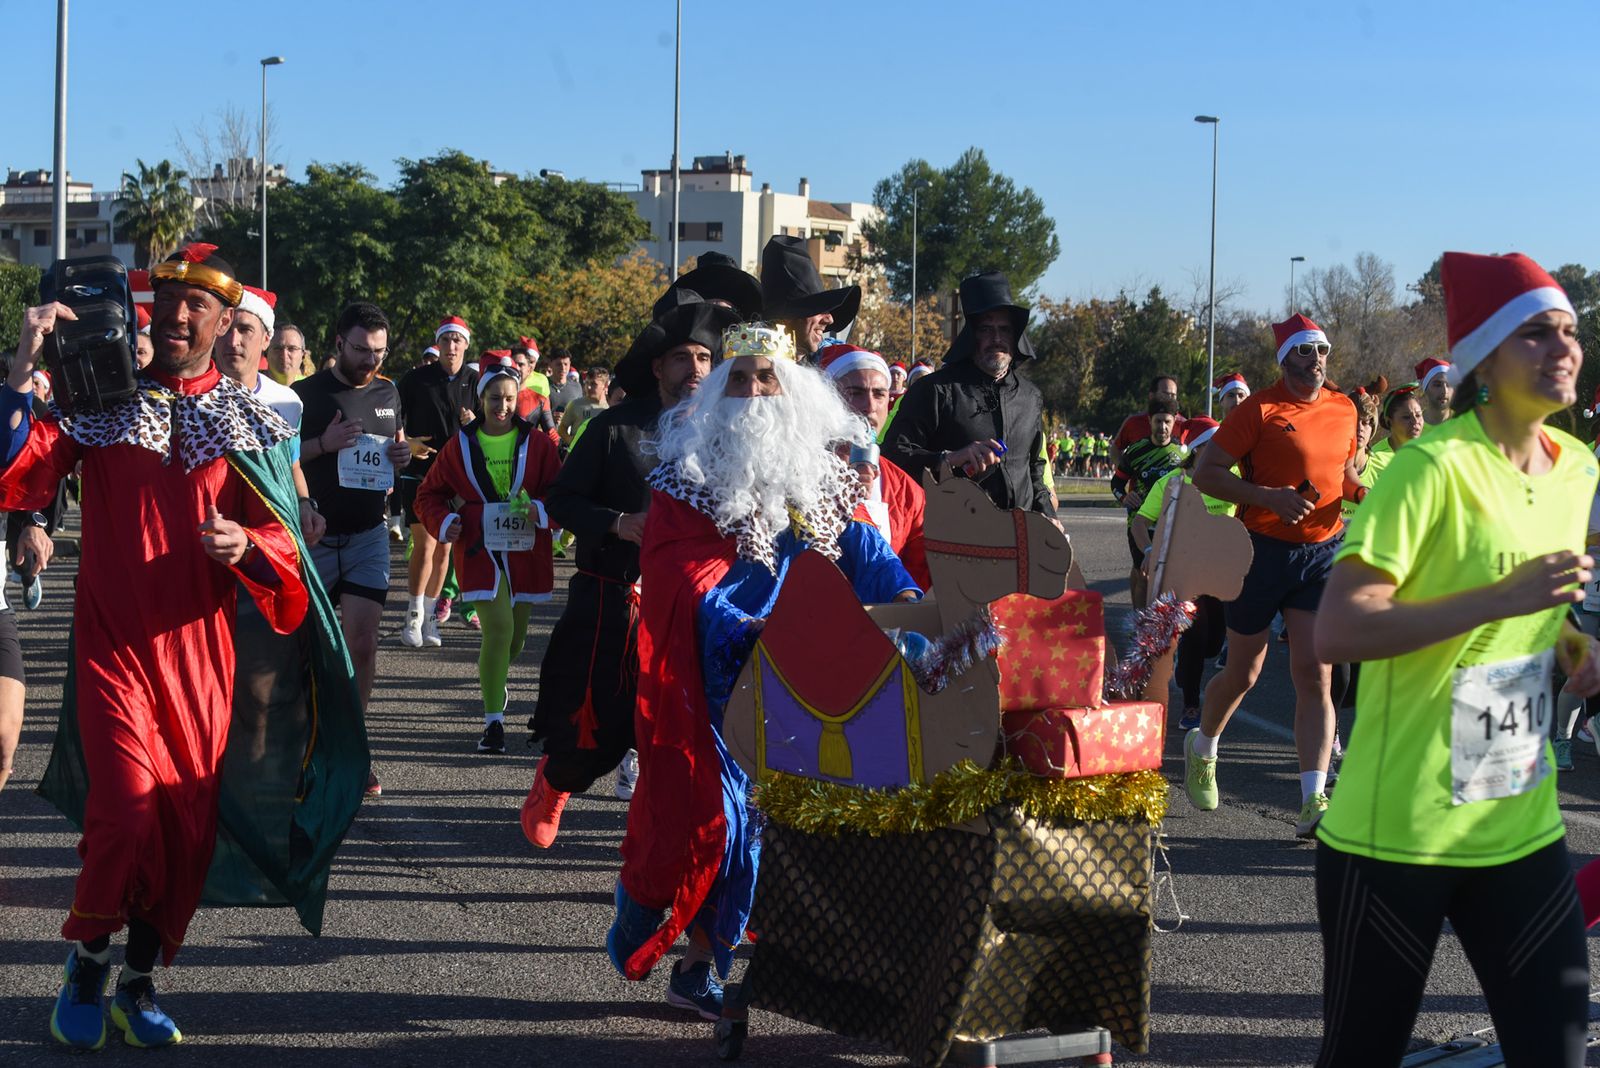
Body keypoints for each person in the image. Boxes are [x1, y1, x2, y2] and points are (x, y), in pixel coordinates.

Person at [3, 243, 354, 1049]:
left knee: (184, 832)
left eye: (198, 303)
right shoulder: (100, 402)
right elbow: (18, 473)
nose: (178, 313)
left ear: (229, 324)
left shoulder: (248, 422)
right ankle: (88, 961)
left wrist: (248, 546)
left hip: (199, 661)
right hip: (113, 650)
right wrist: (22, 370)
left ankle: (138, 979)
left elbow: (284, 543)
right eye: (168, 298)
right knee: (125, 813)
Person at [1311, 251, 1597, 1068]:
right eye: (1537, 334)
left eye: (1569, 331)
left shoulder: (1578, 469)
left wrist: (1575, 645)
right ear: (1487, 359)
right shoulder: (1431, 469)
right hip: (1397, 836)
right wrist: (1501, 598)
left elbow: (1542, 608)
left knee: (1557, 1055)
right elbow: (1339, 629)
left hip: (1516, 818)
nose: (1564, 348)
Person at [606, 322, 918, 1019]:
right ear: (720, 391)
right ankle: (667, 927)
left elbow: (866, 553)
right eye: (740, 378)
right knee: (717, 820)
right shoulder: (684, 481)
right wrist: (736, 620)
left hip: (805, 687)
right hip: (713, 683)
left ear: (795, 394)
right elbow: (675, 574)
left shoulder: (821, 478)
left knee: (781, 834)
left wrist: (905, 602)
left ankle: (715, 963)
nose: (752, 391)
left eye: (766, 378)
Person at [525, 295, 743, 845]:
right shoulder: (615, 427)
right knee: (598, 732)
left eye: (703, 358)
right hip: (614, 598)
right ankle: (555, 782)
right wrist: (619, 523)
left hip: (697, 604)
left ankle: (654, 837)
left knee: (675, 731)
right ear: (657, 367)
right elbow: (561, 498)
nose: (694, 370)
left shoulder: (732, 431)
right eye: (681, 358)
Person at [1187, 313, 1362, 838]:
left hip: (1320, 555)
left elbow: (1345, 474)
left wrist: (1366, 494)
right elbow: (1206, 473)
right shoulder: (1258, 409)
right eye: (1305, 351)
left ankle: (1314, 800)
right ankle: (1204, 745)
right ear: (1283, 358)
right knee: (1245, 672)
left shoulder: (1344, 407)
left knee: (1316, 675)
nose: (1316, 360)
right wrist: (1267, 497)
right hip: (1261, 551)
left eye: (1323, 350)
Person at [415, 356, 560, 754]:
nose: (503, 406)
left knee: (514, 642)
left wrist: (541, 510)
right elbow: (428, 494)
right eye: (495, 398)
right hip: (479, 549)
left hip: (526, 551)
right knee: (497, 631)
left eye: (510, 398)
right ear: (481, 400)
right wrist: (445, 522)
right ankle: (493, 722)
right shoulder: (459, 445)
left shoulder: (538, 444)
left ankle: (496, 681)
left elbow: (561, 493)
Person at [295, 301, 410, 796]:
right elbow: (277, 456)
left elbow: (395, 448)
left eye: (379, 352)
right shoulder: (304, 395)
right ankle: (306, 745)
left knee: (362, 645)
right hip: (316, 538)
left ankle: (354, 748)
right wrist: (323, 443)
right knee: (310, 652)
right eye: (362, 350)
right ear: (338, 342)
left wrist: (402, 457)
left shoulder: (388, 391)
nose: (370, 361)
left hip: (367, 536)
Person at [881, 271, 1059, 528]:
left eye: (1004, 329)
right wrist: (949, 459)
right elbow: (892, 458)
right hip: (953, 541)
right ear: (972, 335)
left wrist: (1048, 518)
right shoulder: (935, 390)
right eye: (987, 329)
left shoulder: (1030, 397)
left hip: (1021, 539)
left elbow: (1035, 469)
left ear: (1015, 336)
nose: (997, 339)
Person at [1131, 416, 1231, 728]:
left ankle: (1188, 670)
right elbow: (1140, 522)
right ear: (1199, 449)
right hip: (1185, 572)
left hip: (1221, 572)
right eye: (1216, 444)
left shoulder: (1234, 477)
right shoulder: (1173, 481)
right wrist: (1150, 550)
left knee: (1214, 642)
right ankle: (1190, 704)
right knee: (1195, 635)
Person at [213, 285, 325, 546]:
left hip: (267, 539)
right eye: (225, 328)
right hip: (209, 535)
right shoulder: (193, 398)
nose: (233, 341)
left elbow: (291, 465)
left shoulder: (287, 402)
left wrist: (304, 505)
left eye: (245, 330)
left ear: (266, 339)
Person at [818, 342, 932, 589]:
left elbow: (920, 574)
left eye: (879, 394)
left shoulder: (905, 490)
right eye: (856, 393)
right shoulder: (801, 471)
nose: (869, 407)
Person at [398, 315, 479, 647]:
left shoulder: (476, 382)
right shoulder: (416, 380)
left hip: (456, 477)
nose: (452, 346)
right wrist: (407, 441)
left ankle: (432, 616)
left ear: (466, 345)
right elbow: (393, 417)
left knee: (445, 548)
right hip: (418, 472)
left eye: (458, 340)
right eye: (446, 340)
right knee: (425, 543)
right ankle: (413, 614)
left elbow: (493, 426)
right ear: (439, 344)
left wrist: (475, 421)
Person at [1114, 398, 1184, 605]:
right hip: (1140, 522)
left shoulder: (1183, 453)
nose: (1162, 427)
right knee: (1143, 575)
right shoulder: (1136, 450)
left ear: (1174, 422)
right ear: (1149, 421)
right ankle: (1139, 626)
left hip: (1171, 524)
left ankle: (1163, 626)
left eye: (1167, 422)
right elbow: (1117, 482)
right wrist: (1125, 497)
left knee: (1170, 578)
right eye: (1158, 421)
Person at [759, 234, 861, 361]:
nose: (830, 319)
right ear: (786, 318)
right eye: (818, 309)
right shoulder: (751, 371)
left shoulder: (820, 375)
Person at [1112, 375, 1185, 475]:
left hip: (1172, 489)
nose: (1170, 399)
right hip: (1139, 490)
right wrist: (1125, 473)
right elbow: (1115, 450)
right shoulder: (1134, 422)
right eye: (1166, 394)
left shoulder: (1185, 425)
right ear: (1151, 396)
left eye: (1173, 395)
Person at [1363, 387, 1425, 489]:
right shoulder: (1376, 459)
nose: (1415, 421)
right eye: (1406, 417)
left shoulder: (1428, 454)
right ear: (1389, 421)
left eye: (1418, 415)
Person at [557, 367, 611, 447]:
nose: (588, 387)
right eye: (587, 383)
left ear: (605, 385)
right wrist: (572, 442)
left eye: (593, 384)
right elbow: (562, 429)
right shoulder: (575, 404)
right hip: (578, 455)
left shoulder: (611, 407)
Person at [265, 321, 309, 386]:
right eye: (278, 348)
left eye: (292, 349)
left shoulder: (310, 389)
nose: (284, 355)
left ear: (303, 356)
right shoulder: (250, 385)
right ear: (266, 353)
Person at [1415, 356, 1453, 426]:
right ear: (1425, 388)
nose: (1444, 391)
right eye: (1437, 385)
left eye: (1448, 384)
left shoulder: (1464, 421)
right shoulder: (1415, 426)